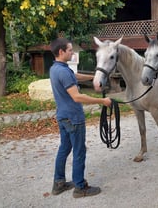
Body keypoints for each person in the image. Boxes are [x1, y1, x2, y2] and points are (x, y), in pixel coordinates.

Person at [49, 37, 112, 198]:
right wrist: (102, 101)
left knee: (64, 149)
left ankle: (59, 183)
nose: (72, 52)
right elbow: (77, 97)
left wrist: (94, 77)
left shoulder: (56, 68)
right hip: (73, 118)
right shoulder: (63, 71)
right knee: (79, 151)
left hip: (63, 116)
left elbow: (74, 77)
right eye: (70, 50)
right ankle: (80, 187)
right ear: (61, 52)